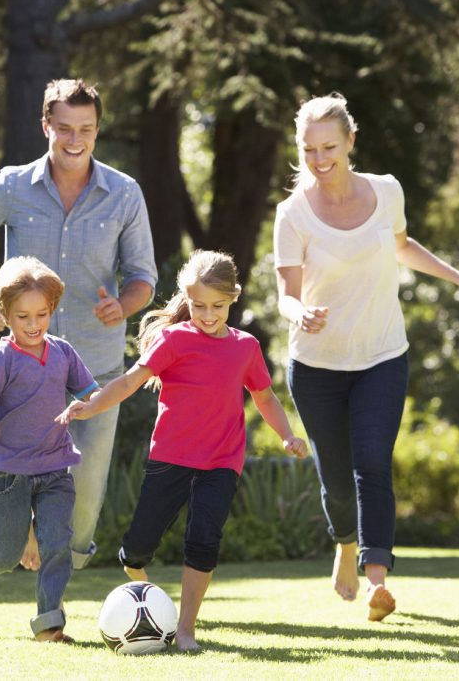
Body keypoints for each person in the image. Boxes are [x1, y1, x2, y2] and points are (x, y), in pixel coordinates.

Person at [272, 93, 459, 622]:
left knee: (373, 463)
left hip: (382, 356)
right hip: (317, 366)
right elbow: (285, 291)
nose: (320, 159)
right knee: (338, 482)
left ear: (350, 141)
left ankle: (377, 582)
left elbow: (403, 246)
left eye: (329, 147)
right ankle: (344, 543)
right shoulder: (292, 213)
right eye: (309, 150)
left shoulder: (387, 191)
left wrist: (457, 277)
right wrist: (297, 313)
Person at [0, 78, 157, 571]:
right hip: (24, 371)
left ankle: (67, 557)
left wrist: (123, 306)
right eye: (63, 127)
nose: (74, 139)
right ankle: (31, 563)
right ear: (46, 126)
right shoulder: (13, 187)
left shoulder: (124, 194)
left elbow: (143, 277)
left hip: (96, 371)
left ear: (98, 130)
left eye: (85, 128)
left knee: (84, 496)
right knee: (17, 491)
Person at [57, 250, 309, 651]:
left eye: (218, 306)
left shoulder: (245, 347)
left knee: (204, 539)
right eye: (199, 305)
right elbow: (130, 381)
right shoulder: (173, 339)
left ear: (234, 298)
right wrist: (92, 405)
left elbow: (264, 397)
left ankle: (186, 628)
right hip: (170, 457)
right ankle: (154, 603)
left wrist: (286, 434)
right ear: (186, 299)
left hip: (222, 461)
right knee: (136, 549)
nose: (208, 315)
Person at [0, 256, 99, 643]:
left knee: (56, 545)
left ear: (51, 310)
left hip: (55, 468)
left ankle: (49, 625)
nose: (34, 324)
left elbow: (90, 392)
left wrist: (90, 404)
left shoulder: (64, 353)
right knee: (7, 553)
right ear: (5, 314)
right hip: (8, 475)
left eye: (41, 314)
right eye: (23, 317)